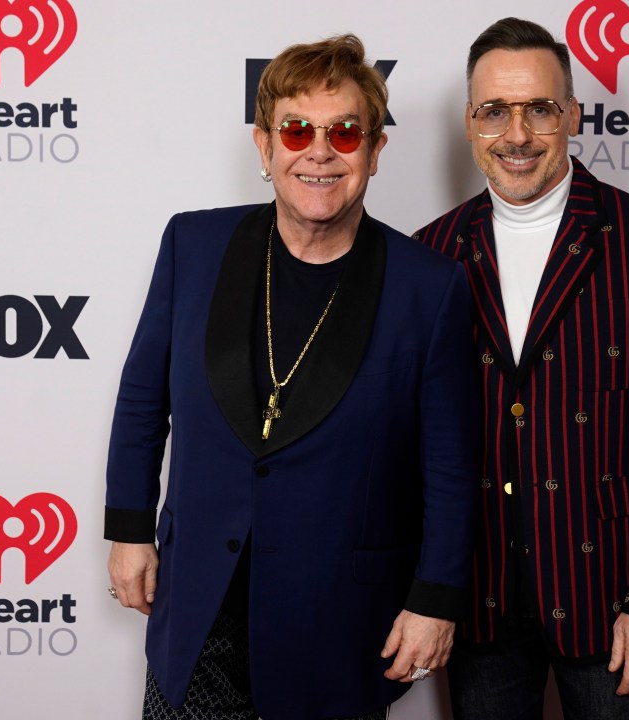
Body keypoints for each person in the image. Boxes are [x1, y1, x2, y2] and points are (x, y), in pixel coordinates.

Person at [104, 34, 478, 720]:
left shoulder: (431, 288)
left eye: (344, 132)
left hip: (337, 623)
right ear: (264, 145)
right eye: (297, 129)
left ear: (375, 150)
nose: (320, 151)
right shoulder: (193, 245)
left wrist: (435, 598)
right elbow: (141, 398)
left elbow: (451, 468)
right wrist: (128, 528)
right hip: (199, 608)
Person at [413, 17, 629, 720]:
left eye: (539, 108)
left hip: (611, 604)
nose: (516, 134)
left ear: (572, 114)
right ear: (469, 122)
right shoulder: (430, 254)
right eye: (495, 111)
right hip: (476, 603)